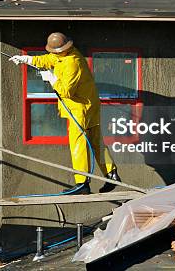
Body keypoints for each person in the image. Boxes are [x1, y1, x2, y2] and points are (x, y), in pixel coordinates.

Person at [10, 32, 121, 195]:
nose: (53, 54)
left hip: (80, 108)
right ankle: (111, 174)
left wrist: (52, 79)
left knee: (78, 144)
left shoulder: (72, 62)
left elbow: (66, 91)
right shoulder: (62, 54)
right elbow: (47, 60)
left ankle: (82, 183)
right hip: (88, 105)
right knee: (95, 141)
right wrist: (27, 60)